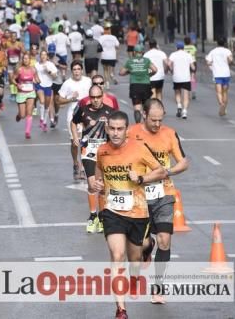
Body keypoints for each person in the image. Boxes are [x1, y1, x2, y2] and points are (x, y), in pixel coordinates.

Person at [88, 111, 166, 319]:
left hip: (137, 213)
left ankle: (136, 272)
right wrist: (94, 183)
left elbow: (161, 171)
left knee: (135, 260)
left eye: (119, 129)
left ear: (126, 130)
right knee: (116, 255)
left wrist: (141, 178)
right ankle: (121, 310)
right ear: (107, 129)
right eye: (111, 128)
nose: (115, 133)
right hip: (112, 212)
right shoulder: (102, 151)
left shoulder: (139, 148)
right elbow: (98, 179)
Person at [128, 98, 189, 304]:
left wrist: (167, 172)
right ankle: (147, 248)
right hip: (139, 195)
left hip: (164, 193)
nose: (157, 124)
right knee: (143, 243)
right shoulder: (131, 132)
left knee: (165, 239)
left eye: (160, 120)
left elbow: (183, 162)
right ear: (144, 115)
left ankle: (158, 287)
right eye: (153, 120)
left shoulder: (169, 133)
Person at [71, 81, 114, 233]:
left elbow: (117, 131)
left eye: (98, 97)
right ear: (89, 98)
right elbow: (73, 122)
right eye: (93, 97)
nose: (96, 100)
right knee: (91, 184)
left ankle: (101, 217)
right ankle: (92, 215)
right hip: (88, 151)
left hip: (104, 153)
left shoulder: (110, 111)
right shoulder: (83, 110)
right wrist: (75, 136)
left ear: (102, 96)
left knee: (101, 187)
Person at [57, 60, 92, 180]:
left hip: (87, 115)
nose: (77, 72)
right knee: (74, 143)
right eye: (74, 69)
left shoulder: (88, 81)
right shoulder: (67, 83)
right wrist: (71, 98)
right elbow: (59, 100)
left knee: (84, 141)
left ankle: (82, 168)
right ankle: (75, 162)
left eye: (78, 69)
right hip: (73, 115)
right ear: (71, 71)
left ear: (82, 70)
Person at [119, 44, 157, 123]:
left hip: (135, 86)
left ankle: (138, 125)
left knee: (137, 108)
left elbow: (121, 72)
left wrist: (129, 72)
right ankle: (146, 124)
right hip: (146, 85)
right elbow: (155, 69)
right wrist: (149, 74)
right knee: (146, 107)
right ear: (142, 52)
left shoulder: (130, 61)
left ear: (134, 52)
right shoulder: (146, 60)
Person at [12, 52, 39, 139]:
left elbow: (37, 79)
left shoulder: (33, 69)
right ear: (22, 60)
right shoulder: (19, 70)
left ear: (30, 60)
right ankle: (19, 115)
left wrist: (37, 81)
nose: (26, 60)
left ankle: (27, 132)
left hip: (31, 92)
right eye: (24, 58)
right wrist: (17, 85)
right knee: (23, 115)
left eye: (27, 58)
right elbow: (12, 79)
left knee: (29, 112)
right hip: (21, 93)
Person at [206, 37, 233, 117]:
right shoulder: (227, 51)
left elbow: (208, 62)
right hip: (226, 74)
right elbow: (231, 60)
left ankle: (221, 104)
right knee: (225, 92)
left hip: (217, 74)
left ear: (217, 43)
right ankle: (224, 107)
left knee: (218, 92)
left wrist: (211, 64)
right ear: (224, 43)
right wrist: (229, 63)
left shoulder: (213, 52)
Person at [167, 41, 194, 119]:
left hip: (176, 77)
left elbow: (169, 64)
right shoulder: (188, 55)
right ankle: (184, 112)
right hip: (186, 78)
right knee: (186, 96)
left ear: (177, 47)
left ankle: (179, 105)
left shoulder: (173, 54)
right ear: (183, 48)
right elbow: (193, 67)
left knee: (177, 93)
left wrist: (171, 70)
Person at [35, 48, 58, 131]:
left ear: (47, 56)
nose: (43, 56)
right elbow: (34, 74)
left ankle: (45, 122)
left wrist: (48, 71)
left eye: (45, 55)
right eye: (42, 55)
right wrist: (35, 80)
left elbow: (55, 76)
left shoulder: (50, 64)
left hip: (48, 86)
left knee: (47, 106)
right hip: (39, 85)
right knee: (42, 101)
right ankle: (41, 119)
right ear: (40, 56)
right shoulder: (36, 65)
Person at [98, 24, 120, 88]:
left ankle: (107, 83)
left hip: (104, 55)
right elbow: (117, 46)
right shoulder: (114, 37)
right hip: (112, 56)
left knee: (105, 70)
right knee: (110, 69)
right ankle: (112, 75)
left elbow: (99, 46)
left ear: (104, 30)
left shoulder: (101, 37)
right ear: (110, 30)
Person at [183, 36, 198, 100]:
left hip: (185, 63)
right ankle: (193, 91)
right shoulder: (193, 47)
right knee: (193, 77)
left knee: (186, 77)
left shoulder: (183, 48)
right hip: (193, 62)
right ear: (190, 41)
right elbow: (195, 54)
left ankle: (187, 91)